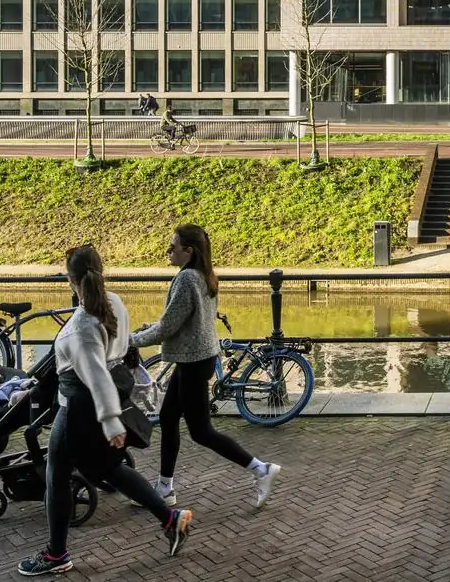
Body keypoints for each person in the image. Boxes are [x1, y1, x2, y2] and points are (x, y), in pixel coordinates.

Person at [19, 244, 191, 576]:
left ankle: (56, 554)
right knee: (107, 468)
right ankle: (170, 518)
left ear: (70, 281)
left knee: (58, 475)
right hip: (100, 400)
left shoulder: (80, 328)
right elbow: (119, 352)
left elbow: (95, 377)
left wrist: (111, 423)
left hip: (80, 408)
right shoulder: (114, 302)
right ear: (102, 272)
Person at [131, 224, 279, 511]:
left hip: (193, 363)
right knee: (169, 417)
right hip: (197, 359)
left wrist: (131, 341)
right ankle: (164, 488)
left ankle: (261, 469)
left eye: (172, 247)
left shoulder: (186, 279)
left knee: (201, 432)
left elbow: (168, 327)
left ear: (188, 251)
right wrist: (149, 328)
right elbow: (184, 321)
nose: (167, 251)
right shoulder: (205, 275)